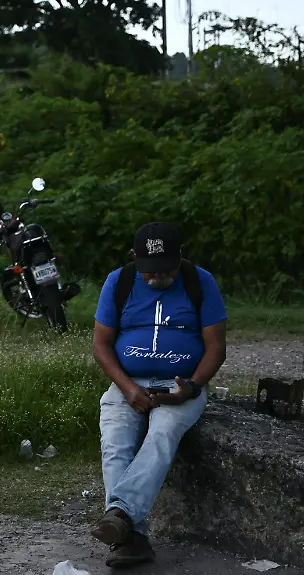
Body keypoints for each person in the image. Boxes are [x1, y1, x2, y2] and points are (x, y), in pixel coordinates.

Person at [90, 222, 228, 568]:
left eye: (167, 267)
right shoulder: (118, 282)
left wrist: (192, 387)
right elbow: (101, 345)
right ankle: (131, 535)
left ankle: (120, 515)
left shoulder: (201, 282)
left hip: (181, 383)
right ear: (134, 258)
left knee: (163, 431)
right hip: (128, 381)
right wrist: (128, 388)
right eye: (150, 270)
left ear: (181, 256)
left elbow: (216, 348)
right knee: (116, 440)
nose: (159, 276)